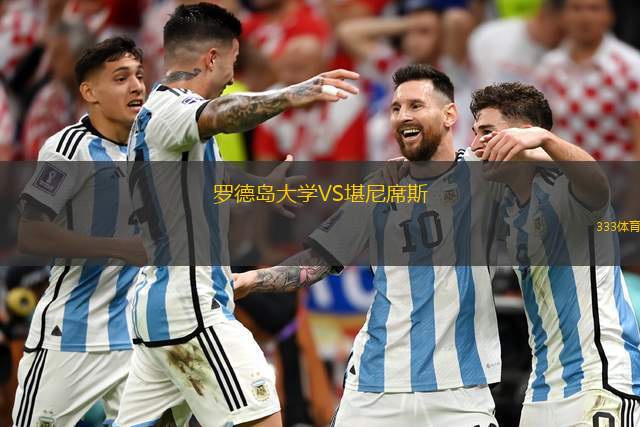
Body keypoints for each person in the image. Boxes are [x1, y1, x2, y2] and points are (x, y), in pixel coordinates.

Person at [115, 3, 358, 426]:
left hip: (155, 307)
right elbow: (222, 115)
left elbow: (205, 180)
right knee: (264, 419)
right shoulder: (178, 108)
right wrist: (292, 93)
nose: (232, 77)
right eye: (233, 61)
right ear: (212, 58)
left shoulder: (155, 117)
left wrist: (260, 188)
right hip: (193, 308)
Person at [233, 64, 505, 426]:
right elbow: (318, 260)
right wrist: (250, 280)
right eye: (396, 108)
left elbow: (567, 179)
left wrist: (536, 142)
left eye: (416, 106)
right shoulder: (380, 187)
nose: (403, 116)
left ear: (449, 114)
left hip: (459, 390)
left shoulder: (484, 173)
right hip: (375, 386)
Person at [470, 82, 640, 425]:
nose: (475, 144)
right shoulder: (505, 203)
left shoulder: (569, 188)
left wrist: (545, 141)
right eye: (475, 133)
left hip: (600, 380)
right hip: (541, 391)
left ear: (525, 133)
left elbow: (597, 181)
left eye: (486, 132)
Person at [12, 36, 147, 427]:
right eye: (121, 78)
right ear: (90, 92)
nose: (136, 86)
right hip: (71, 336)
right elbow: (31, 232)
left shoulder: (152, 147)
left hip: (138, 340)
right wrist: (119, 248)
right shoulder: (69, 150)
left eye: (139, 75)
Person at [535, 0, 640, 161]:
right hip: (565, 173)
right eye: (576, 9)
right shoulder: (549, 66)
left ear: (610, 16)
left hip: (615, 174)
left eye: (594, 9)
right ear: (563, 16)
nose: (585, 17)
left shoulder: (630, 66)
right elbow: (539, 126)